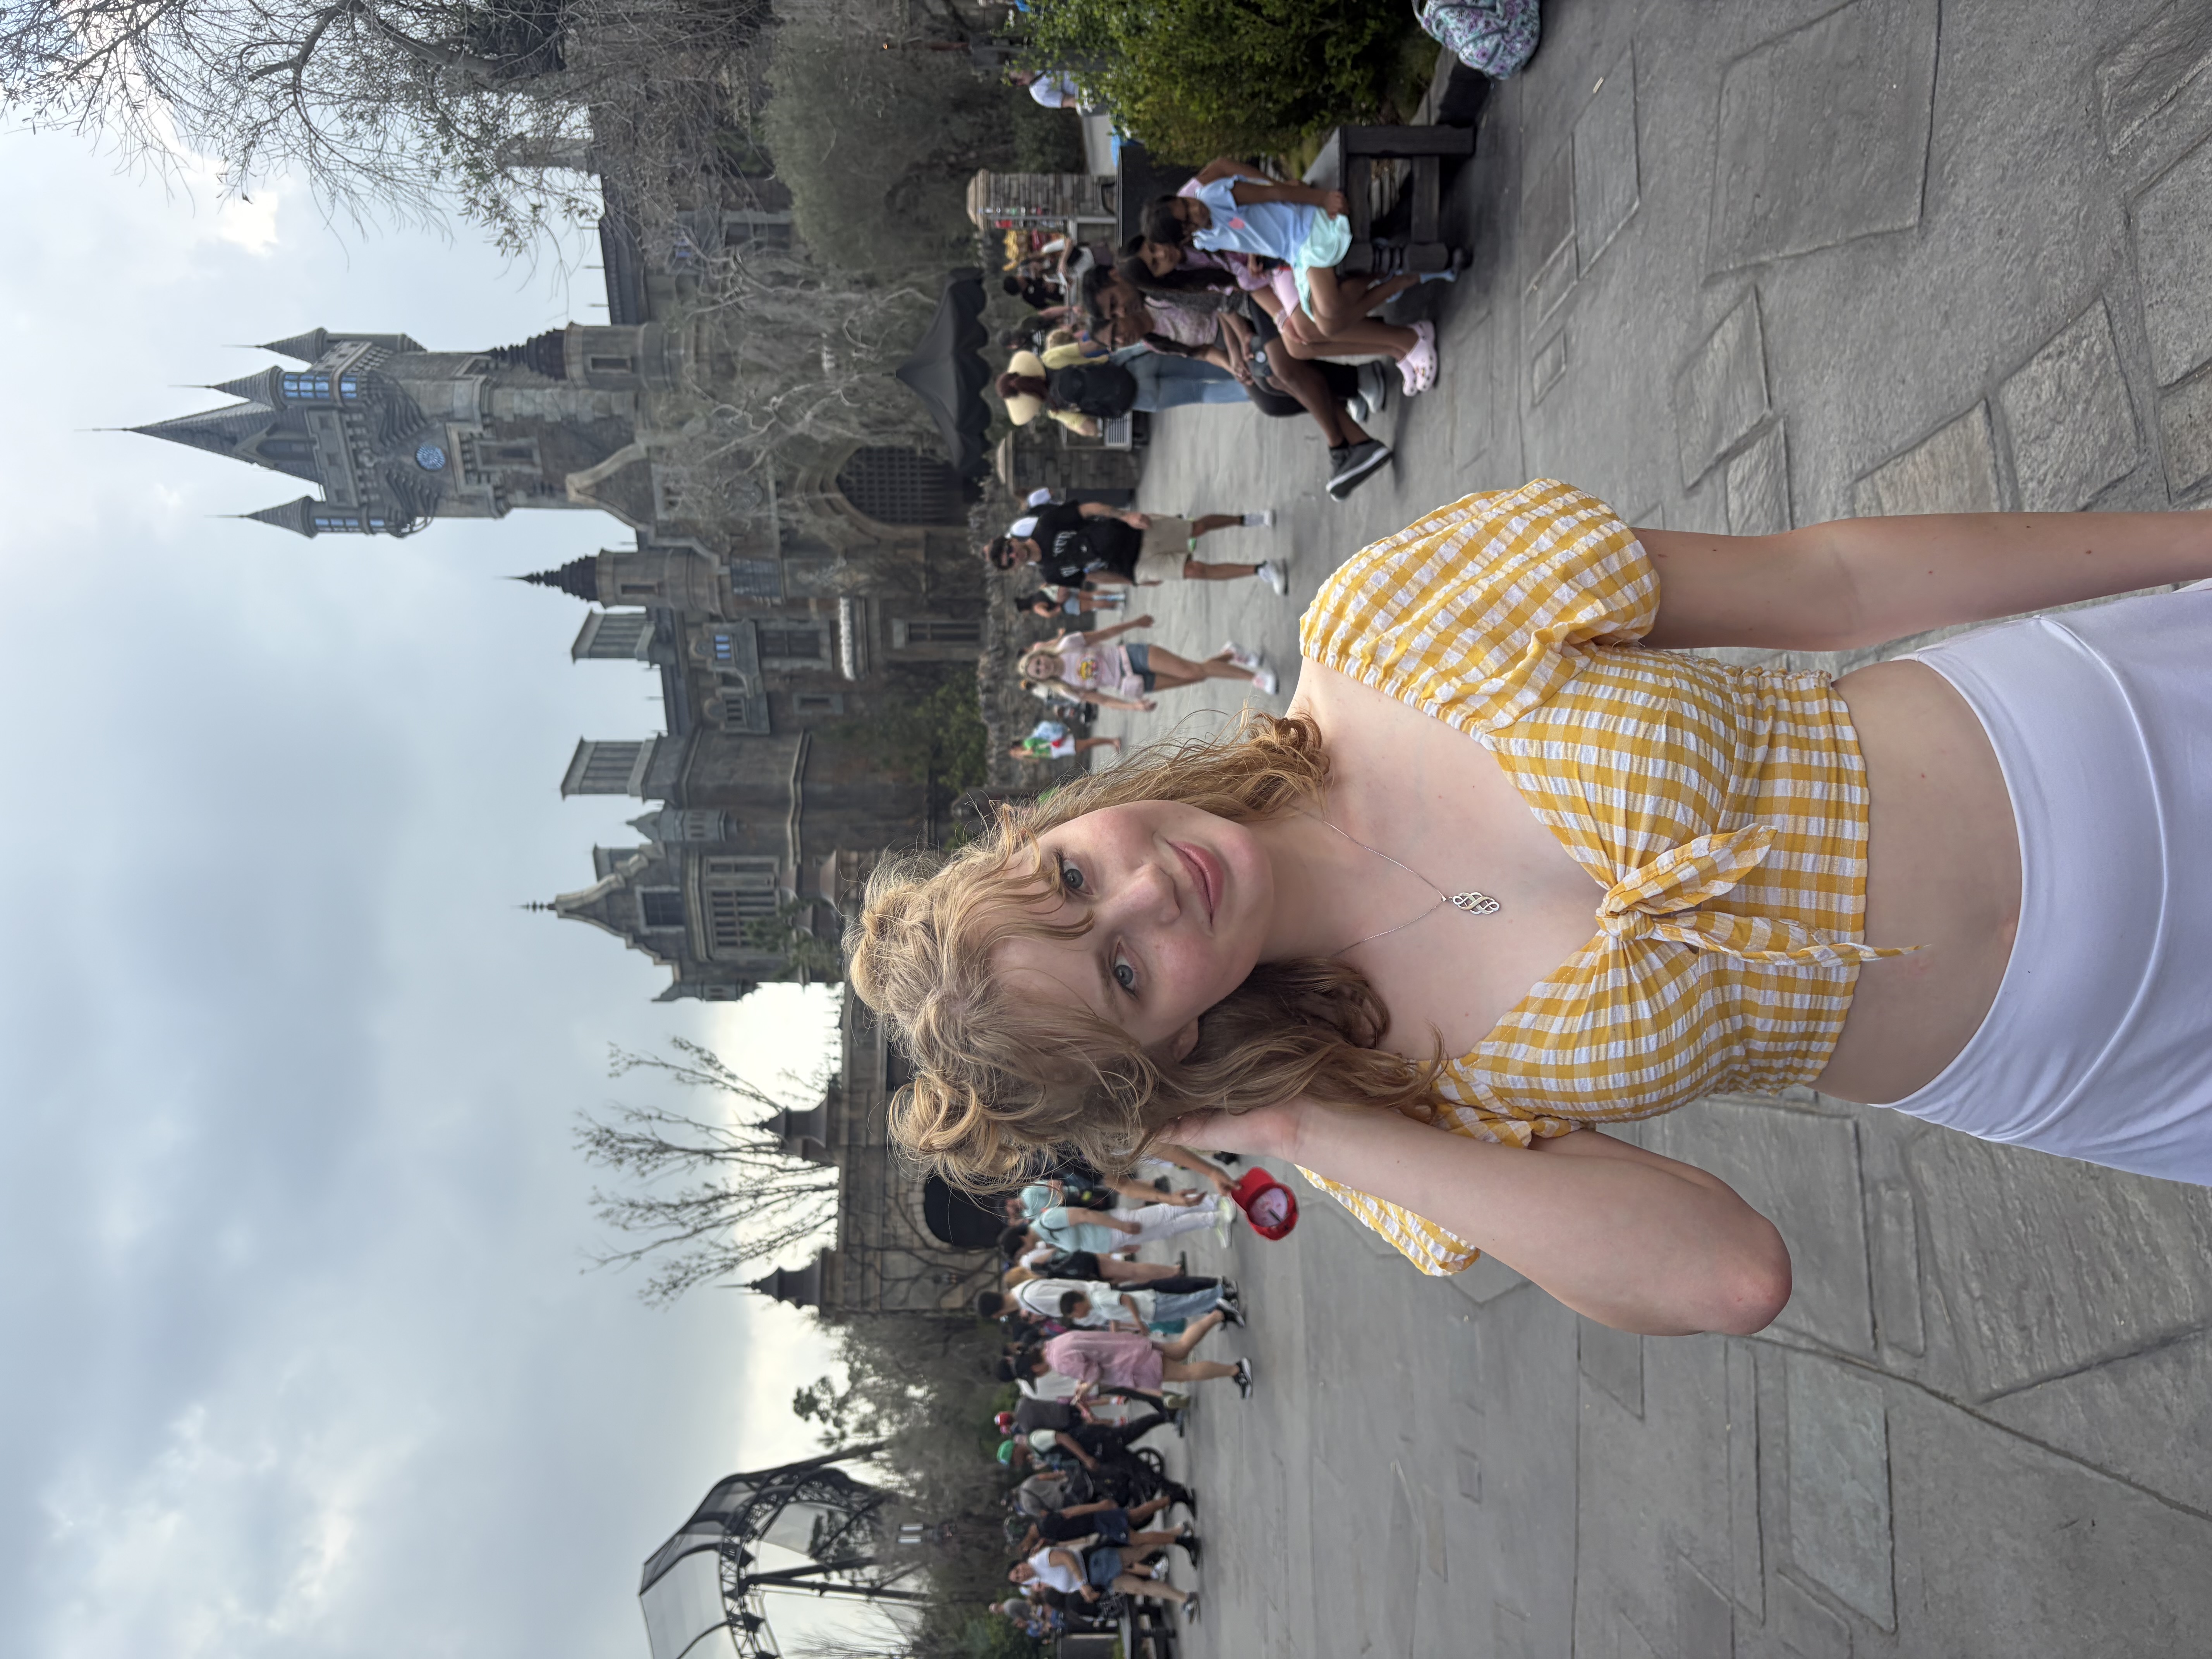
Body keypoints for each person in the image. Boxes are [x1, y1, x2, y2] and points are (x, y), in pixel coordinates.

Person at [850, 477, 2212, 1336]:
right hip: (2112, 1059)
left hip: (2116, 726)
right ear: (1170, 1046)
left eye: (1073, 879)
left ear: (1047, 823)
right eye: (1124, 972)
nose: (1150, 890)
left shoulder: (1386, 629)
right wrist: (1292, 1127)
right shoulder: (1368, 1107)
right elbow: (1731, 1277)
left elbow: (1824, 585)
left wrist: (2193, 542)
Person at [1085, 259, 1395, 500]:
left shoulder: (1154, 293)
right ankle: (1354, 423)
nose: (1121, 330)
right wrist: (1232, 365)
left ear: (1115, 276)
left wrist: (1237, 345)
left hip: (1243, 308)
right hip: (1232, 336)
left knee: (1275, 373)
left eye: (1115, 322)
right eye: (1114, 338)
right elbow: (1203, 352)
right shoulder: (1153, 340)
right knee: (1270, 401)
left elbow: (1216, 302)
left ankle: (1344, 440)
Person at [1142, 159, 1446, 391]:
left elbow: (1273, 193)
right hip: (1295, 253)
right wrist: (1255, 255)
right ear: (1185, 236)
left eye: (1187, 204)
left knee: (1328, 310)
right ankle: (1402, 288)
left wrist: (1321, 198)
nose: (1194, 208)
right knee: (1326, 324)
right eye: (1188, 219)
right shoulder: (1204, 240)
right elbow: (1246, 232)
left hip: (1306, 229)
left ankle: (1403, 284)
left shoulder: (1214, 195)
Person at [988, 499, 1288, 595]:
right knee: (1195, 570)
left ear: (1012, 540)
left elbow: (1089, 509)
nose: (1014, 555)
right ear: (1013, 568)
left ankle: (1245, 519)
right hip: (1131, 566)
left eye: (1009, 550)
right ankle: (1261, 569)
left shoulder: (1047, 525)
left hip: (1132, 532)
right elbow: (1091, 576)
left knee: (1195, 529)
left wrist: (1126, 516)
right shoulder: (1051, 574)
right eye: (1009, 561)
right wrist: (1132, 582)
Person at [1021, 619, 1278, 712]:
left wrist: (1134, 623)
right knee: (1195, 676)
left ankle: (1254, 678)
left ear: (1041, 654)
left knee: (1192, 670)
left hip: (1132, 657)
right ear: (1042, 680)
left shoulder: (1068, 645)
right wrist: (1134, 706)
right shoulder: (1066, 688)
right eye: (1038, 672)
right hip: (1132, 684)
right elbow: (1104, 700)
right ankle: (1231, 654)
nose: (1043, 668)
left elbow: (1104, 634)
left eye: (1039, 663)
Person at [1040, 1315, 1251, 1398]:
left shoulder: (1059, 1362)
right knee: (1181, 1349)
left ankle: (1236, 1370)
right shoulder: (1057, 1343)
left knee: (1185, 1373)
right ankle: (1218, 1314)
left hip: (1131, 1365)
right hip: (1130, 1347)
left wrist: (1086, 1387)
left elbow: (1094, 1372)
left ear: (1034, 1368)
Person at [1012, 720, 1120, 763]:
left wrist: (1021, 754)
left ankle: (1112, 741)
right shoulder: (1026, 750)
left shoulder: (1027, 743)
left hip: (1056, 745)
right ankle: (1111, 742)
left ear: (1017, 747)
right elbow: (1036, 760)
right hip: (1055, 750)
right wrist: (1023, 757)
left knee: (1086, 744)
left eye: (1015, 752)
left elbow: (1031, 751)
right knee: (1085, 745)